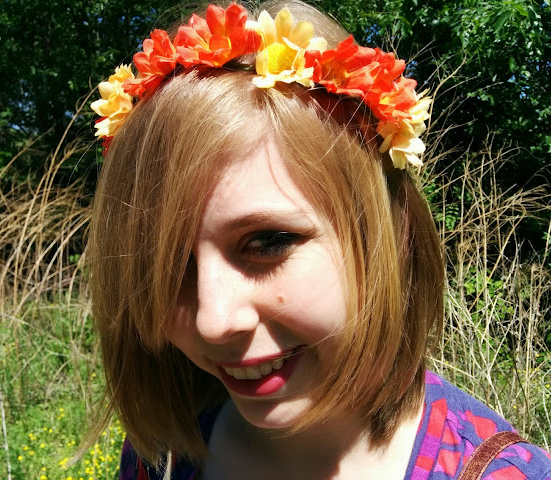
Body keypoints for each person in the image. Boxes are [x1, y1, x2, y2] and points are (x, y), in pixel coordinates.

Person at [88, 2, 551, 479]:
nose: (214, 321)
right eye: (166, 265)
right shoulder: (163, 452)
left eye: (267, 242)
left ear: (388, 233)